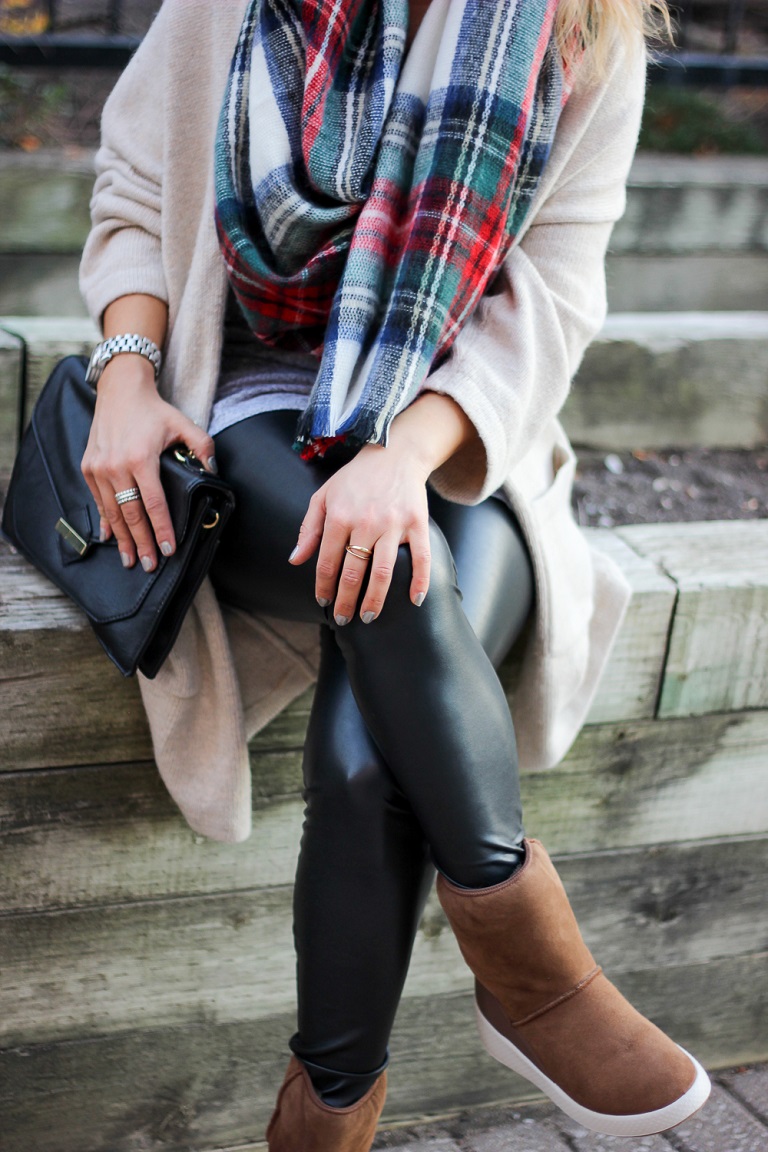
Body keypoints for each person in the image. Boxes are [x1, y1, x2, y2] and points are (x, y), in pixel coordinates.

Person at [79, 1, 711, 1148]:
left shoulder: (579, 33)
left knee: (373, 743)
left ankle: (325, 1114)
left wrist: (400, 456)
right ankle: (538, 977)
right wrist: (126, 370)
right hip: (236, 406)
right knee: (399, 589)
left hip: (456, 436)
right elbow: (130, 185)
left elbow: (553, 302)